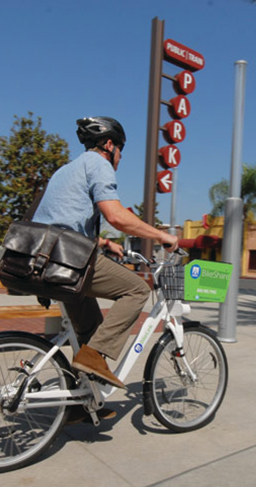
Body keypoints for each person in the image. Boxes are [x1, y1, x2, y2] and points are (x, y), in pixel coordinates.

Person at [33, 116, 178, 390]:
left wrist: (106, 244)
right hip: (70, 260)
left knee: (91, 327)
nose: (120, 159)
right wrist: (162, 236)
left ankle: (82, 403)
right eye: (121, 152)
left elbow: (64, 220)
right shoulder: (99, 164)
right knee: (137, 289)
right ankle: (92, 357)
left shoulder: (66, 169)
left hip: (45, 259)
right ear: (109, 145)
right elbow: (116, 216)